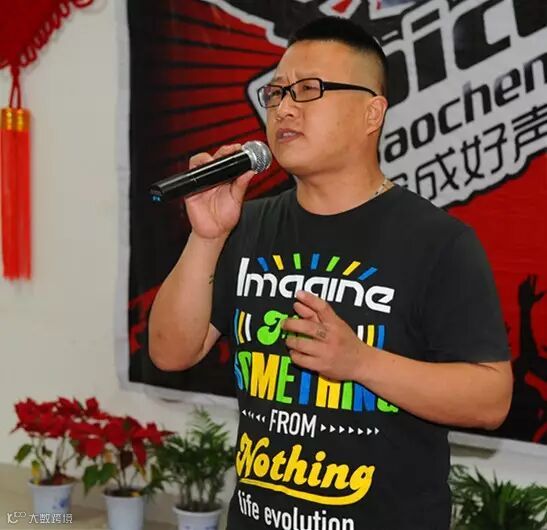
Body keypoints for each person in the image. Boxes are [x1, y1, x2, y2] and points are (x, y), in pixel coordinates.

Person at [149, 16, 513, 530]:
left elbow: (490, 399)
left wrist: (360, 363)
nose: (284, 108)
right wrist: (206, 237)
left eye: (308, 90)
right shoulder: (245, 227)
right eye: (276, 93)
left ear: (371, 113)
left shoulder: (438, 242)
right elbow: (170, 352)